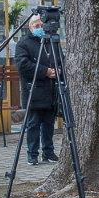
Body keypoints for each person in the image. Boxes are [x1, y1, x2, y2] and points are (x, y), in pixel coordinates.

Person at [14, 14, 60, 166]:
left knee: (49, 123)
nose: (40, 28)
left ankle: (48, 151)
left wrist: (58, 70)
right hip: (33, 89)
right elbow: (23, 65)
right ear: (30, 27)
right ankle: (32, 154)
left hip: (50, 89)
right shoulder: (24, 44)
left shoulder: (50, 41)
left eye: (42, 25)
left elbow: (61, 59)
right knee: (33, 124)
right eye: (37, 26)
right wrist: (45, 71)